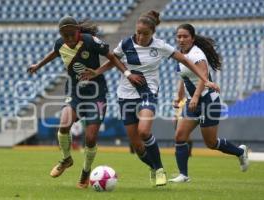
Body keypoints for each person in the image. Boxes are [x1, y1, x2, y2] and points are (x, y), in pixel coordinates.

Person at [80, 10, 220, 187]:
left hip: (148, 92)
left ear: (152, 33)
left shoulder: (160, 46)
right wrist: (97, 72)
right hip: (125, 95)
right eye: (138, 32)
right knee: (138, 146)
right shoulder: (126, 44)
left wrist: (205, 80)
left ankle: (160, 169)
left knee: (144, 131)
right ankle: (153, 167)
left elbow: (185, 61)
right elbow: (113, 60)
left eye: (145, 34)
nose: (140, 36)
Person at [27, 16, 139, 189]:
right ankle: (66, 159)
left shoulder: (91, 41)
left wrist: (127, 74)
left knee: (91, 137)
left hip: (97, 93)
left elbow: (113, 57)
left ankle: (86, 172)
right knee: (64, 124)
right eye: (66, 36)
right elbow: (55, 52)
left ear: (78, 31)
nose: (70, 39)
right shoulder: (60, 43)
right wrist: (38, 65)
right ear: (61, 35)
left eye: (72, 35)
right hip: (75, 91)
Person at [168, 23, 249, 183]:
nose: (181, 39)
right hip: (193, 102)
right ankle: (183, 175)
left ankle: (239, 152)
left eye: (185, 36)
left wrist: (197, 97)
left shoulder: (197, 54)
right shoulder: (180, 54)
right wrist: (179, 97)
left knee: (211, 143)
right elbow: (183, 78)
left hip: (207, 101)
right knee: (179, 136)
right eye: (179, 36)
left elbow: (203, 75)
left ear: (192, 38)